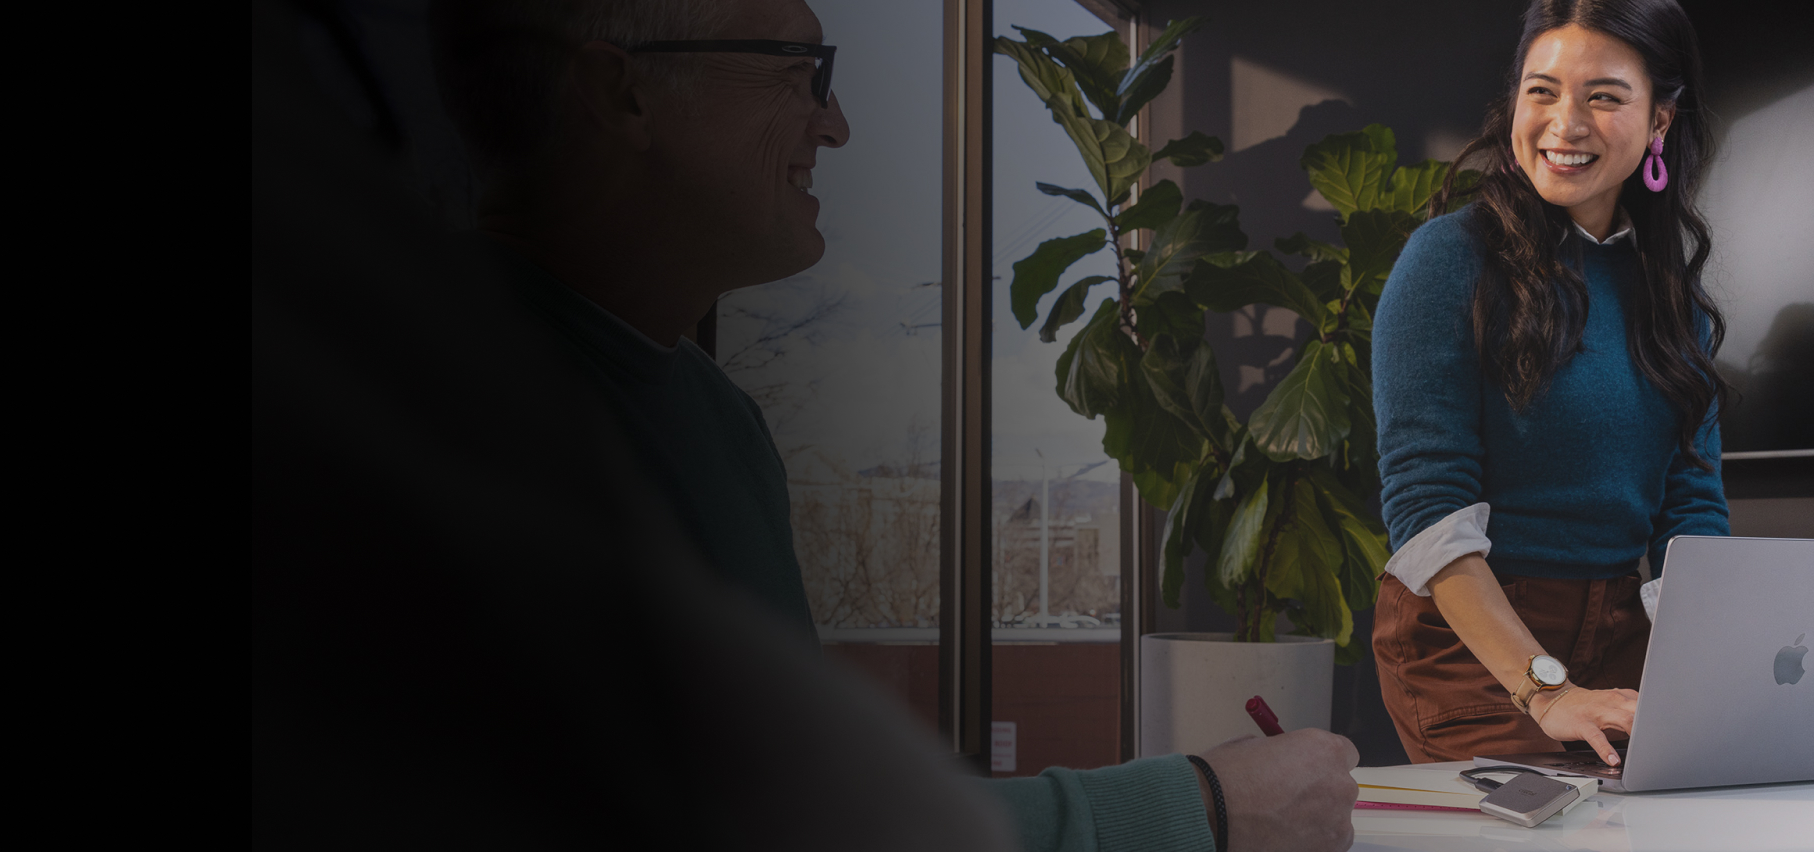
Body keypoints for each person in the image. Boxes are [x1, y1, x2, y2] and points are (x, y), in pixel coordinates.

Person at [420, 0, 1361, 849]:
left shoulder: (714, 416)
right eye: (798, 72)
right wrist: (1200, 806)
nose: (833, 123)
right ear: (619, 95)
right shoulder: (442, 412)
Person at [1370, 0, 1729, 765]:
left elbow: (1692, 507)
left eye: (1603, 96)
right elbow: (1426, 507)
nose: (1564, 123)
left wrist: (1711, 671)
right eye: (1542, 91)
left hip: (1619, 626)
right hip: (1471, 642)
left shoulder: (1671, 297)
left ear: (1660, 120)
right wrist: (1546, 689)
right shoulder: (1448, 259)